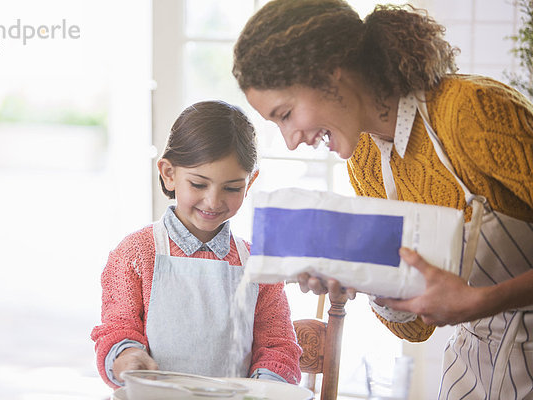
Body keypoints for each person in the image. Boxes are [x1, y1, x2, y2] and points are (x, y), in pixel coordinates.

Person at [232, 0, 533, 398]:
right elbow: (417, 328)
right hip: (475, 369)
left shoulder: (470, 112)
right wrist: (363, 279)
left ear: (330, 73)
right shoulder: (366, 159)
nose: (290, 141)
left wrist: (482, 301)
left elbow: (470, 302)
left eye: (285, 114)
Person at [90, 100, 301, 389]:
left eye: (232, 188)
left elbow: (278, 347)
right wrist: (126, 356)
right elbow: (117, 329)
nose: (213, 201)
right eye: (199, 184)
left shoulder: (258, 265)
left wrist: (263, 390)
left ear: (250, 183)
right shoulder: (135, 254)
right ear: (168, 173)